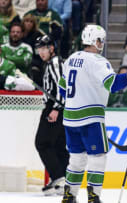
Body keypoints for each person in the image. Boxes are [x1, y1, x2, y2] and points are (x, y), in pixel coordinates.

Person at [58, 25, 127, 203]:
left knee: (76, 159)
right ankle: (93, 197)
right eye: (101, 40)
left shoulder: (71, 58)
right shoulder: (97, 61)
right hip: (90, 117)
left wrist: (77, 98)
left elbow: (62, 89)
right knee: (97, 157)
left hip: (70, 118)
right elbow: (113, 85)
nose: (102, 44)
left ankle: (69, 196)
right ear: (95, 41)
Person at [33, 35, 69, 196]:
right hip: (58, 107)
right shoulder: (51, 63)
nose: (41, 52)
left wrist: (56, 108)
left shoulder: (55, 63)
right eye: (39, 49)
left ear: (52, 48)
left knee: (42, 142)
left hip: (55, 107)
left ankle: (59, 177)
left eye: (44, 48)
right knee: (58, 145)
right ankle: (65, 180)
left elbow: (63, 87)